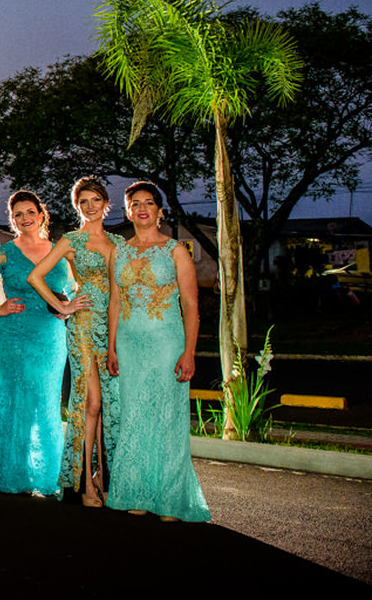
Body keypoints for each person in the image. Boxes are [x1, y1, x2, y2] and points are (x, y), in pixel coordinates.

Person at [106, 182, 210, 522]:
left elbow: (192, 306)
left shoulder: (175, 250)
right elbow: (115, 301)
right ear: (127, 211)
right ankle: (135, 492)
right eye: (134, 203)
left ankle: (169, 498)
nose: (142, 208)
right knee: (135, 417)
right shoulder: (118, 251)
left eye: (149, 203)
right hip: (129, 345)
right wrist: (111, 346)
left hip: (167, 344)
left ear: (160, 211)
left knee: (166, 418)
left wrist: (189, 352)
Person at [0, 191, 72, 497]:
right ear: (12, 220)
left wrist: (69, 307)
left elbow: (77, 284)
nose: (24, 219)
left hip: (51, 333)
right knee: (15, 400)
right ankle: (13, 474)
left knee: (46, 400)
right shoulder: (5, 253)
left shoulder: (61, 250)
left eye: (30, 212)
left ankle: (48, 476)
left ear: (42, 215)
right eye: (17, 214)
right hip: (15, 332)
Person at [27, 176, 121, 507]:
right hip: (81, 325)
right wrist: (64, 306)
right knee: (89, 402)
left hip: (111, 327)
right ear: (76, 206)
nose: (90, 206)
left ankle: (102, 477)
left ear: (106, 204)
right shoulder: (70, 240)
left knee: (110, 405)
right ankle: (83, 485)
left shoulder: (115, 243)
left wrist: (115, 340)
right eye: (84, 201)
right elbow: (35, 276)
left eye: (96, 200)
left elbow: (119, 293)